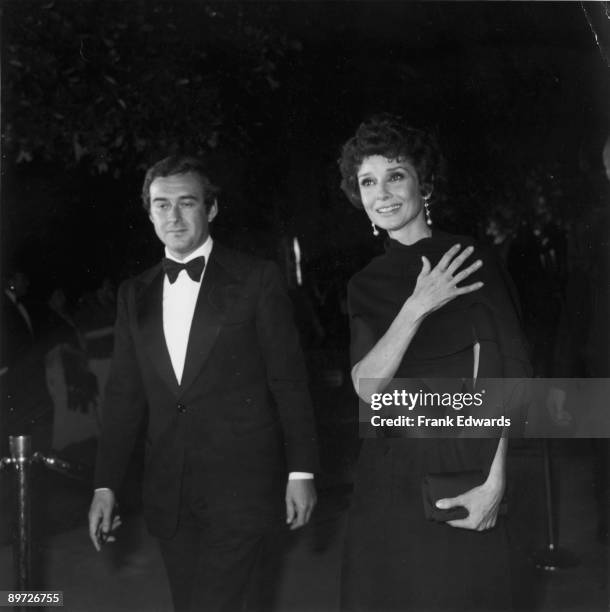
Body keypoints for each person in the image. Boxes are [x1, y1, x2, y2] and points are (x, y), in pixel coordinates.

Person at [88, 155, 318, 612]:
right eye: (161, 205)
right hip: (170, 495)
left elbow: (288, 380)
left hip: (242, 488)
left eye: (186, 203)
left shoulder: (255, 279)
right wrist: (105, 484)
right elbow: (123, 397)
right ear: (149, 213)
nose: (173, 217)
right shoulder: (135, 294)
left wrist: (302, 470)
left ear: (210, 210)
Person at [338, 114, 531, 611]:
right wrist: (417, 305)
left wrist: (496, 480)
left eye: (395, 175)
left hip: (468, 462)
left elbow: (514, 373)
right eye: (367, 182)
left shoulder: (473, 257)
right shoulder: (366, 283)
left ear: (424, 183)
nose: (381, 193)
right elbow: (367, 388)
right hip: (389, 474)